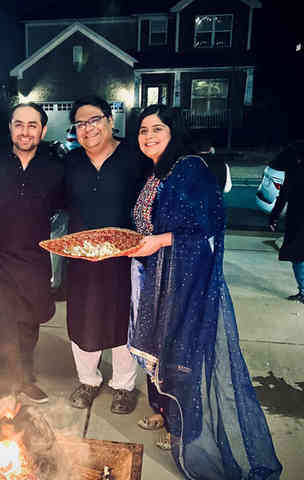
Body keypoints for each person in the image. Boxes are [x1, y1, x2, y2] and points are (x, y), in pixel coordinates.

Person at [127, 104, 282, 478]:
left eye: (157, 129)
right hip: (153, 277)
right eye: (143, 130)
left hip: (185, 282)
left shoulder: (190, 169)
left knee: (182, 354)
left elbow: (208, 228)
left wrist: (158, 241)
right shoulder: (156, 171)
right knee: (158, 350)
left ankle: (186, 428)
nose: (148, 136)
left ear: (174, 133)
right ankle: (165, 413)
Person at [64, 96, 151, 414]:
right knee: (83, 317)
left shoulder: (134, 156)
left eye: (94, 120)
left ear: (110, 121)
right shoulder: (71, 162)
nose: (87, 128)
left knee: (122, 319)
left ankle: (123, 386)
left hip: (125, 257)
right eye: (80, 124)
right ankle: (88, 380)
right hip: (82, 257)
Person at [0, 102, 65, 404]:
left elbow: (67, 208)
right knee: (2, 325)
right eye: (19, 124)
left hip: (35, 260)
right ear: (10, 127)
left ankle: (25, 379)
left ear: (43, 130)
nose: (25, 131)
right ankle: (5, 385)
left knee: (29, 324)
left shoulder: (55, 168)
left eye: (32, 125)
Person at [269, 142, 304, 303]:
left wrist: (274, 217)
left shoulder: (295, 171)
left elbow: (283, 196)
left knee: (298, 256)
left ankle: (303, 290)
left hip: (298, 219)